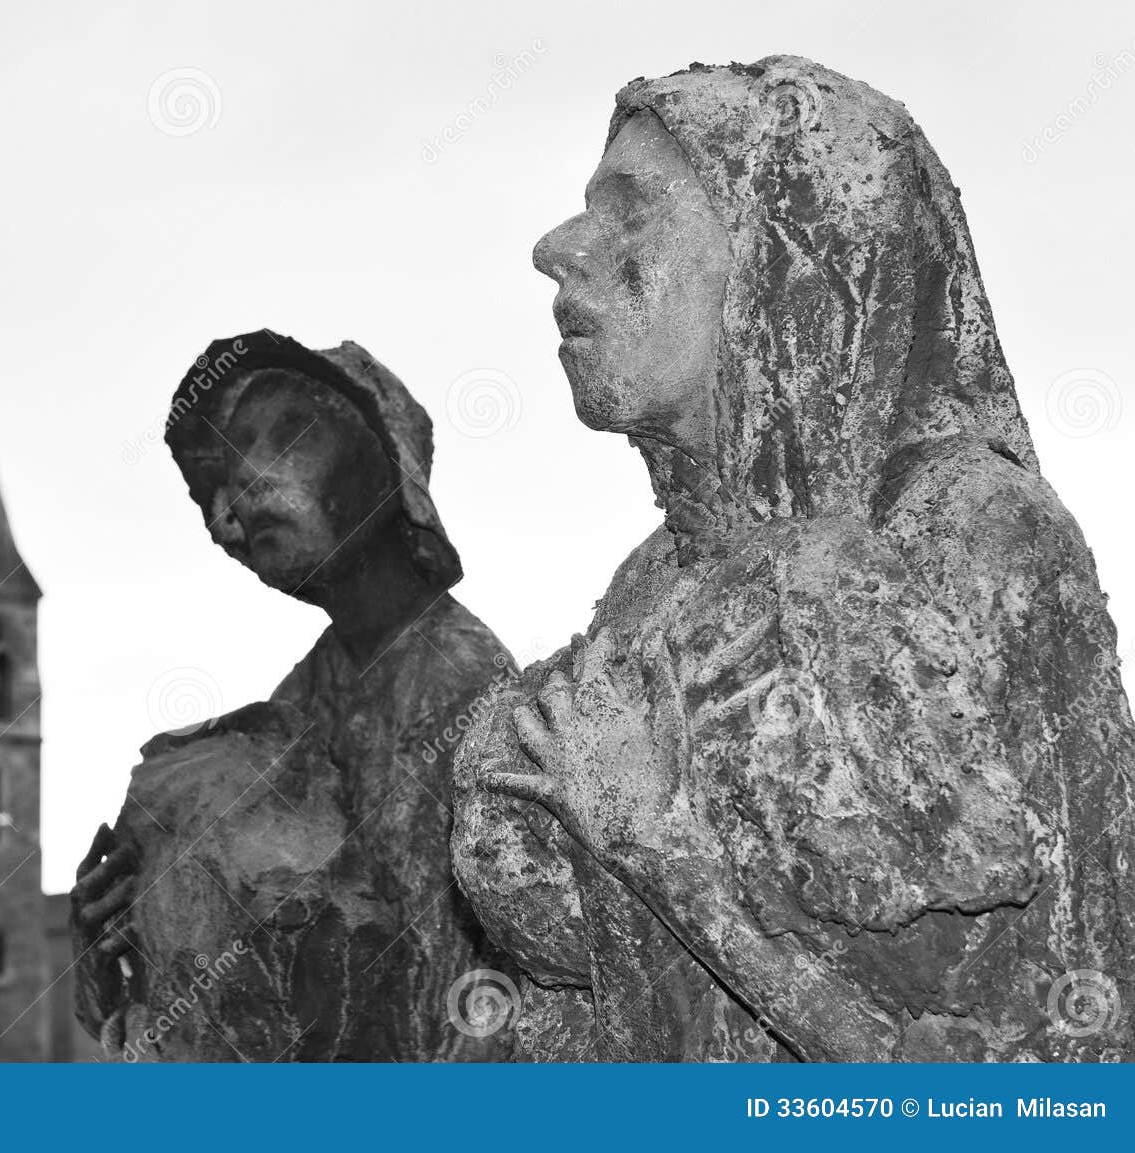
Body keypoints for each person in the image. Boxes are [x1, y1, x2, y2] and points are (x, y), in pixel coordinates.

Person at [451, 57, 1135, 1062]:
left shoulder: (974, 530)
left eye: (631, 210)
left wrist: (662, 849)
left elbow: (1064, 1059)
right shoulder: (649, 587)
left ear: (788, 253)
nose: (557, 248)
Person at [71, 331, 514, 1060]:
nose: (228, 511)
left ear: (384, 448)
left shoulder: (472, 692)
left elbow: (477, 1013)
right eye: (209, 491)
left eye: (280, 435)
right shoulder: (299, 702)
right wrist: (122, 955)